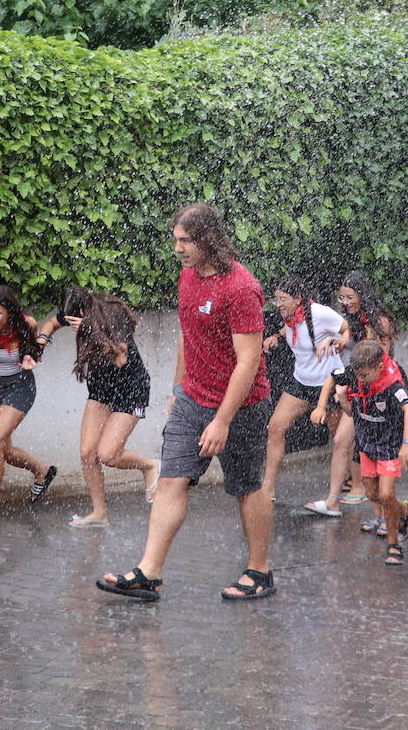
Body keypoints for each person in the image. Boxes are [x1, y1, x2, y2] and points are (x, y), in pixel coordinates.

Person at [97, 203, 275, 602]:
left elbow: (248, 361)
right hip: (193, 400)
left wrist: (223, 421)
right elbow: (187, 336)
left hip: (242, 406)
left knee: (247, 487)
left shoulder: (240, 287)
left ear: (208, 240)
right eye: (176, 239)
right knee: (172, 480)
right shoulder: (188, 278)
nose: (177, 248)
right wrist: (179, 391)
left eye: (185, 240)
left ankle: (260, 571)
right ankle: (149, 572)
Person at [38, 287, 159, 528]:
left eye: (75, 315)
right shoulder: (76, 313)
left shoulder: (112, 315)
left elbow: (121, 359)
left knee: (108, 455)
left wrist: (88, 330)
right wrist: (41, 342)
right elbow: (51, 323)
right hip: (101, 388)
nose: (70, 319)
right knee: (87, 452)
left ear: (85, 309)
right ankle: (99, 513)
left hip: (130, 388)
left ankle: (150, 465)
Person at [313, 340, 408, 565]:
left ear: (379, 368)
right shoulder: (355, 373)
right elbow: (331, 377)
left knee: (387, 495)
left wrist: (407, 443)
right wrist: (321, 407)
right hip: (367, 443)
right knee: (373, 494)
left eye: (364, 375)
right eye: (357, 375)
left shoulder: (393, 384)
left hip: (389, 444)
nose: (360, 380)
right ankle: (406, 510)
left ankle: (394, 545)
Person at [0, 285, 56, 522]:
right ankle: (41, 470)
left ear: (10, 313)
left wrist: (31, 358)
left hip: (20, 386)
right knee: (0, 449)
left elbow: (34, 353)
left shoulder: (28, 324)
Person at [260, 276, 348, 512]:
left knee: (340, 438)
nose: (278, 304)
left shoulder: (320, 313)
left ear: (298, 299)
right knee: (275, 427)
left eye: (283, 299)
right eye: (276, 299)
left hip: (328, 383)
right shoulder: (289, 317)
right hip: (301, 382)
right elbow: (290, 328)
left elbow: (346, 329)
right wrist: (276, 337)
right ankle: (268, 487)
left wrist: (335, 341)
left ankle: (343, 489)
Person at [335, 271, 397, 505]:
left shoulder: (378, 320)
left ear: (362, 296)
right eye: (342, 298)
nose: (346, 303)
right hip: (361, 384)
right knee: (349, 439)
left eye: (350, 297)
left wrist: (349, 344)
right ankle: (362, 494)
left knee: (385, 446)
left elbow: (379, 355)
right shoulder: (355, 320)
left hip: (383, 386)